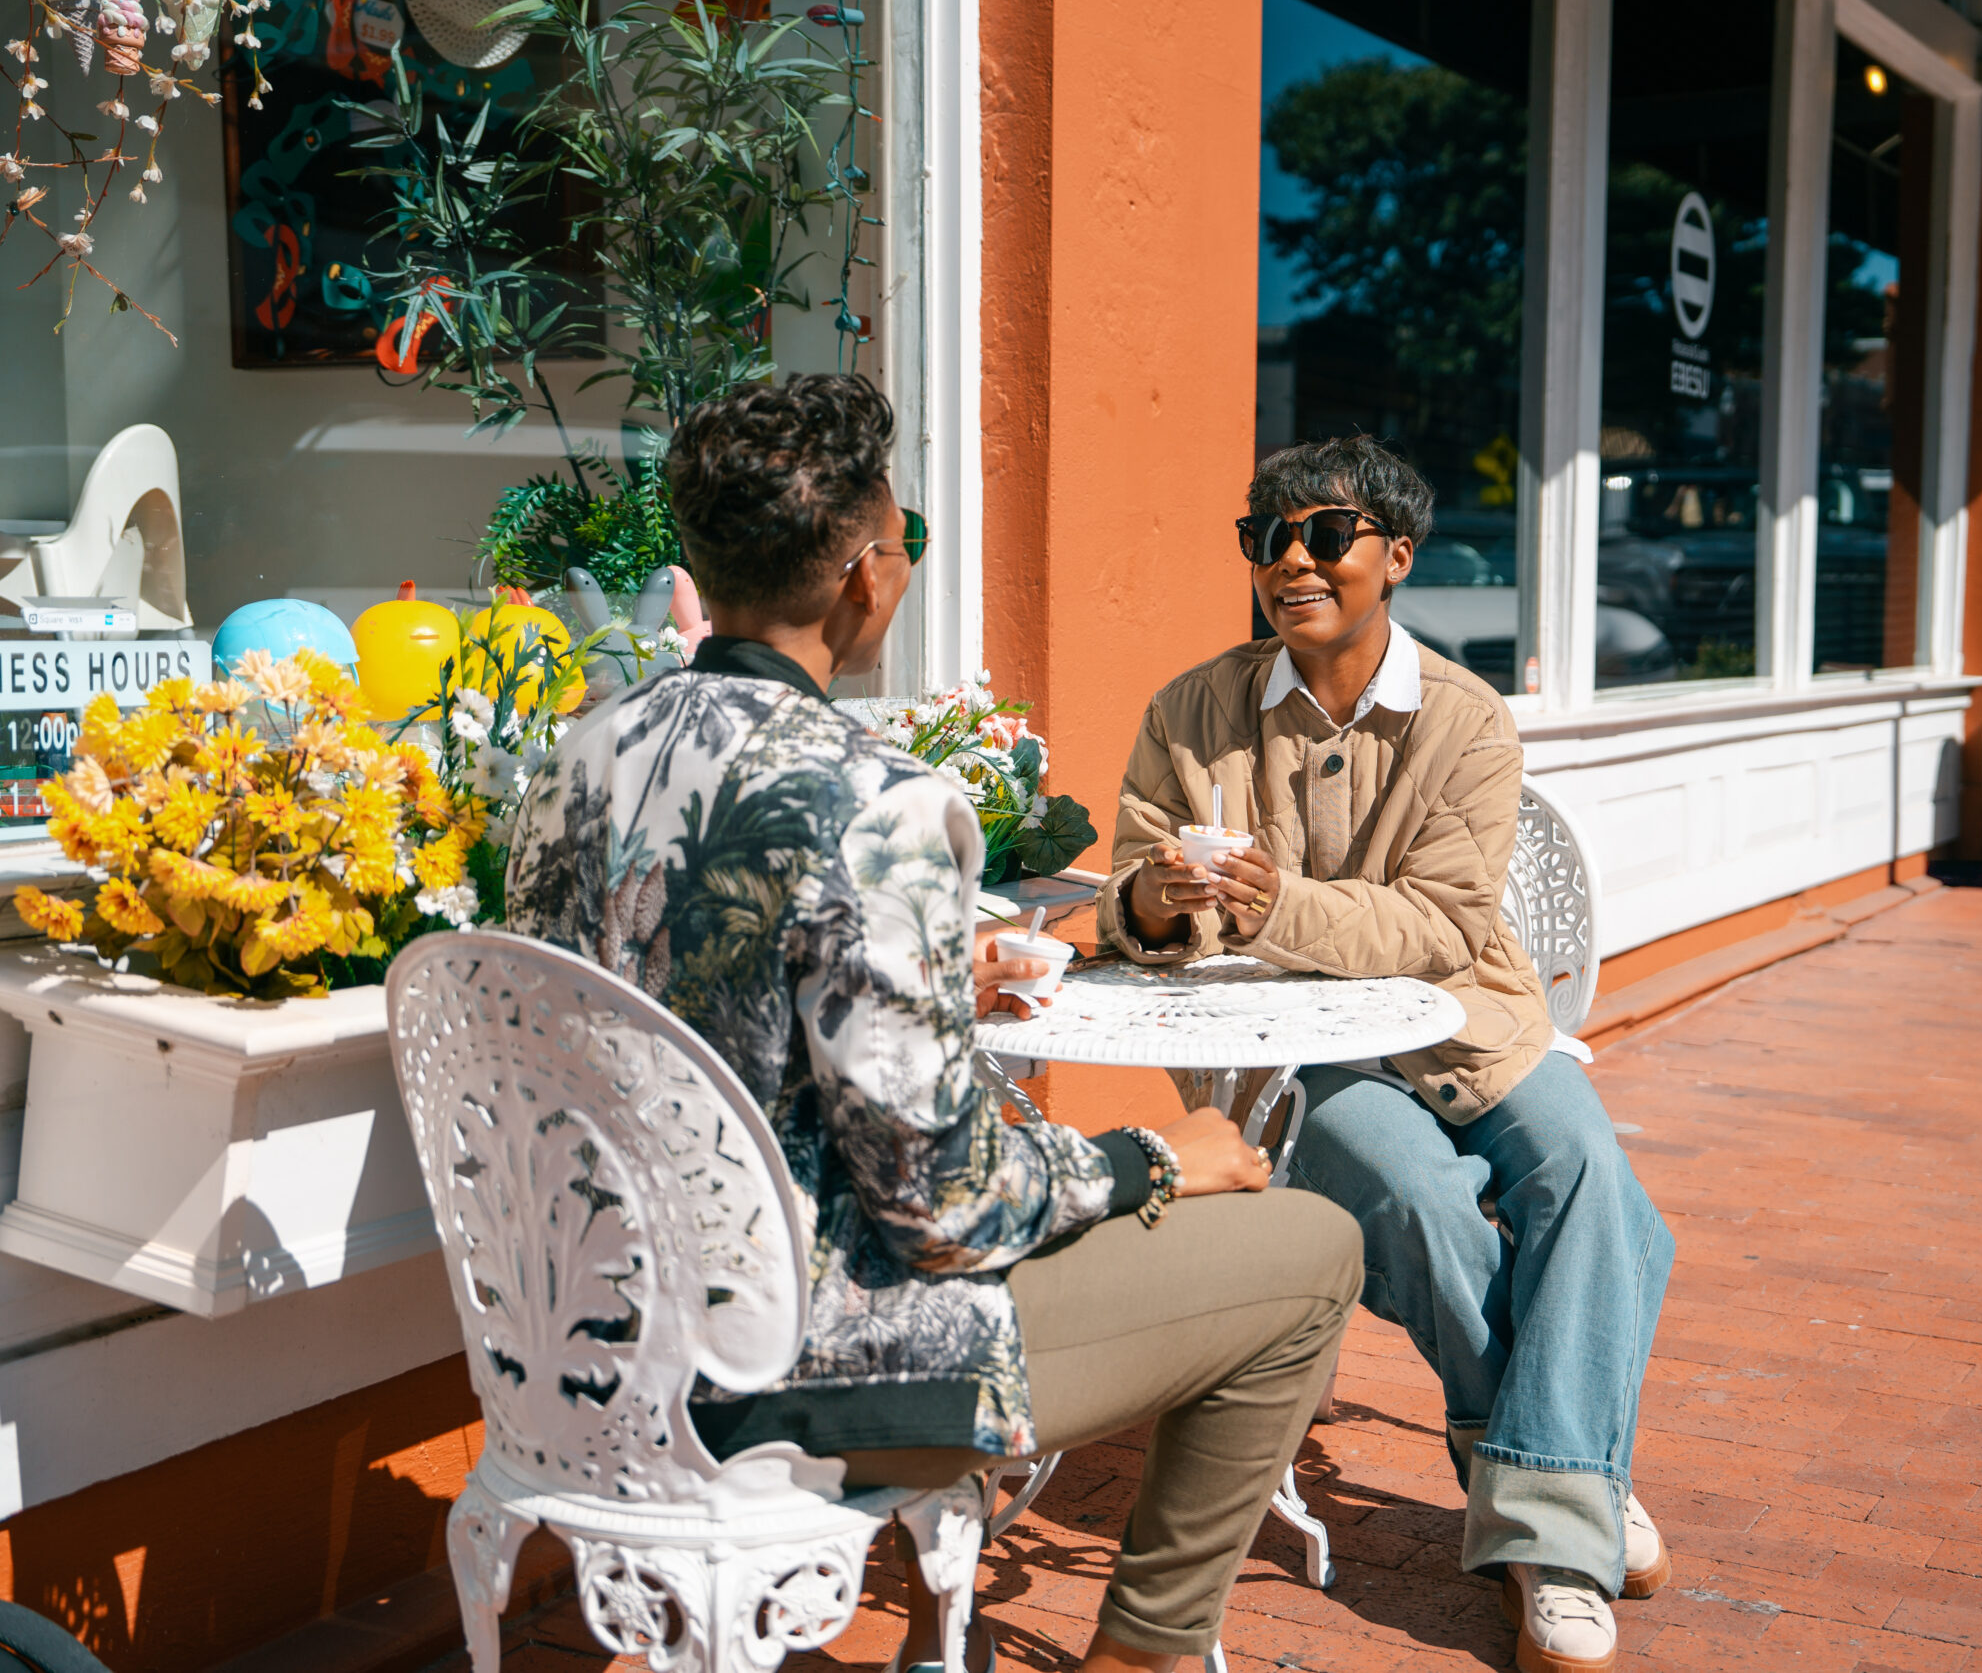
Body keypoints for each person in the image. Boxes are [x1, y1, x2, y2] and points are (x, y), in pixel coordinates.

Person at [504, 375, 1363, 1673]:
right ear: (863, 576)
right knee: (1309, 1243)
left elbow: (699, 1007)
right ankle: (1151, 1649)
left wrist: (922, 987)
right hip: (794, 1363)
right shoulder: (878, 796)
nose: (901, 569)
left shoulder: (575, 758)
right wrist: (1158, 1158)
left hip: (586, 1337)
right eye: (902, 542)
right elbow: (948, 1207)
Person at [1094, 435, 1677, 1673]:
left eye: (1323, 536)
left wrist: (1271, 906)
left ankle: (1546, 1471)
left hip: (1471, 1020)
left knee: (1597, 1194)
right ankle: (1564, 1522)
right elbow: (1131, 892)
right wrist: (1151, 901)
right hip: (1288, 1053)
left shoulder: (1464, 719)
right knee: (1416, 1199)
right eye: (1267, 540)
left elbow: (1442, 923)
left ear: (1395, 556)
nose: (1290, 562)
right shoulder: (1189, 711)